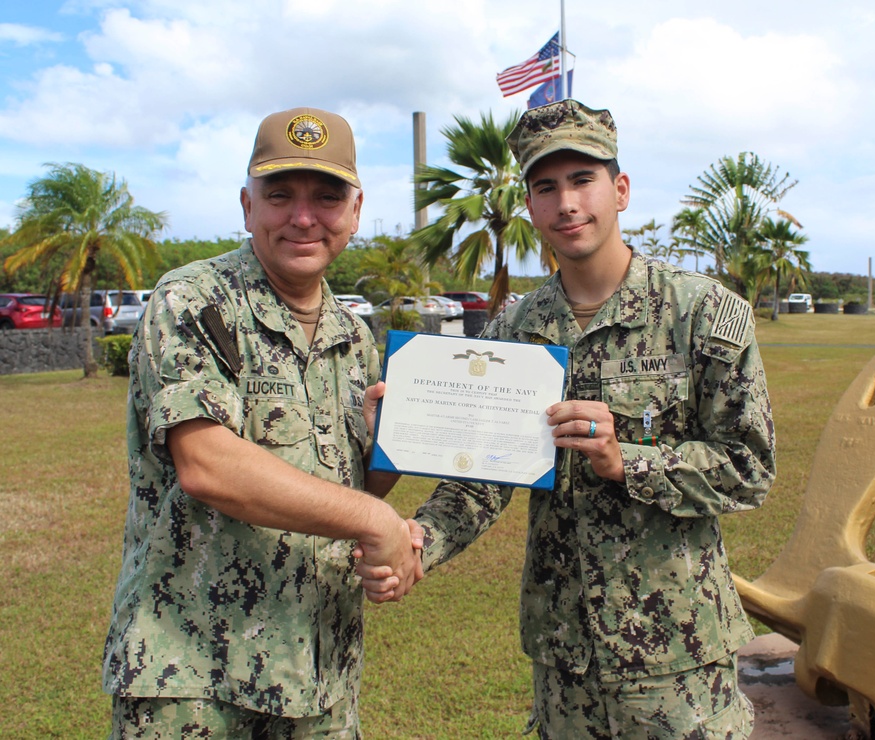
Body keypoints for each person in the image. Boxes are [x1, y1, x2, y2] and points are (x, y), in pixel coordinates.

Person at [363, 100, 776, 738]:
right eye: (545, 187)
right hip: (564, 658)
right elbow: (482, 477)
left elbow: (748, 469)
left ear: (620, 189)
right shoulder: (513, 330)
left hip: (677, 655)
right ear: (530, 205)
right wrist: (420, 539)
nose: (566, 203)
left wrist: (626, 461)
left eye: (583, 179)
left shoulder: (701, 313)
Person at [102, 107, 422, 738]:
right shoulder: (192, 301)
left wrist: (387, 458)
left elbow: (339, 490)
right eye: (280, 195)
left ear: (355, 212)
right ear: (248, 207)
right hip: (192, 678)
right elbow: (207, 465)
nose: (303, 217)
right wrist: (376, 520)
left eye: (327, 197)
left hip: (319, 674)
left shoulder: (355, 338)